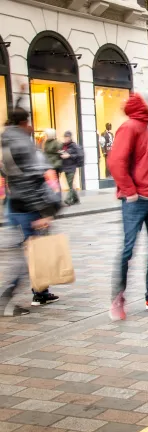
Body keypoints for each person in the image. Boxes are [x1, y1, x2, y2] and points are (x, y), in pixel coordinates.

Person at [108, 91, 148, 320]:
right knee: (128, 249)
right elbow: (116, 161)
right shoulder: (131, 127)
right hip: (136, 201)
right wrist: (130, 191)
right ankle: (117, 297)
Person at [1, 103, 62, 315]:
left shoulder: (6, 140)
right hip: (27, 207)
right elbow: (30, 180)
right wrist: (45, 212)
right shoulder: (21, 143)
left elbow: (9, 172)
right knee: (31, 253)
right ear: (24, 122)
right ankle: (7, 298)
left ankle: (41, 291)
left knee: (33, 249)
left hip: (14, 204)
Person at [61, 131, 80, 206]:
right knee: (70, 184)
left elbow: (76, 155)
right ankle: (76, 199)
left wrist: (69, 156)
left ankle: (68, 199)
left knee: (70, 183)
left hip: (72, 167)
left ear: (70, 137)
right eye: (65, 137)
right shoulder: (64, 146)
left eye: (67, 137)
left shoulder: (73, 145)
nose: (66, 139)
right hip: (66, 167)